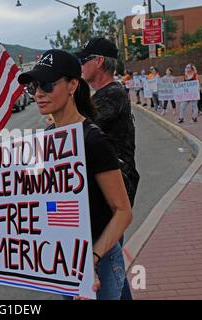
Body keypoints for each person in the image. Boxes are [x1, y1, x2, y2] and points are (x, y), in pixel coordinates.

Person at [18, 49, 133, 300]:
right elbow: (31, 193)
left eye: (47, 85)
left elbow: (123, 212)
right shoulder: (48, 139)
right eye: (34, 87)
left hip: (98, 257)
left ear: (72, 85)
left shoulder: (93, 140)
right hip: (66, 256)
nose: (38, 93)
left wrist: (91, 259)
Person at [77, 37, 140, 300]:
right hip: (106, 187)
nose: (80, 66)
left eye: (84, 60)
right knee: (110, 261)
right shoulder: (105, 95)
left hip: (113, 190)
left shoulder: (112, 94)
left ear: (99, 61)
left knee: (107, 258)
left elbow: (79, 128)